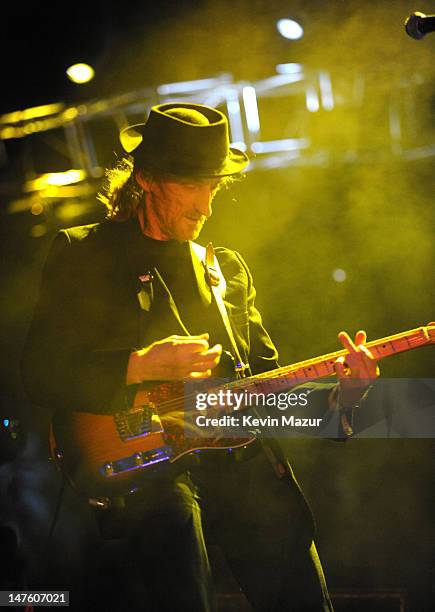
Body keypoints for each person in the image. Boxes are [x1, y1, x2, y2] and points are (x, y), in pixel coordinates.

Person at [21, 103, 378, 611]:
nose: (206, 206)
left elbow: (267, 391)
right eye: (192, 185)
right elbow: (39, 371)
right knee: (173, 535)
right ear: (145, 177)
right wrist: (139, 366)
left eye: (213, 186)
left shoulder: (225, 270)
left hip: (245, 464)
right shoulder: (84, 255)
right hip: (150, 475)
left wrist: (345, 394)